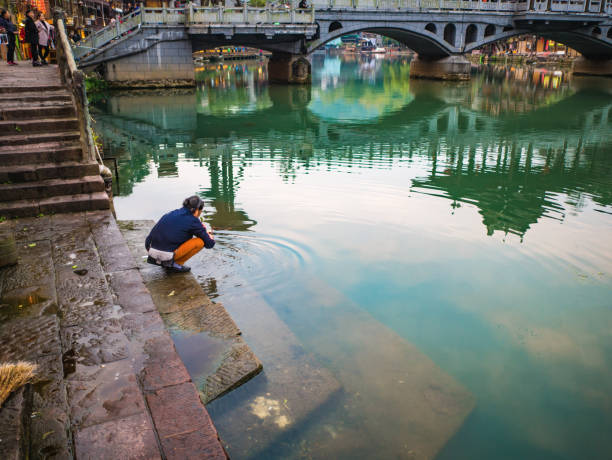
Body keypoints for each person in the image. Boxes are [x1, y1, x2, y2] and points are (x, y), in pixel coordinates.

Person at [145, 195, 215, 273]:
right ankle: (175, 265)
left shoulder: (171, 213)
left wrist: (203, 231)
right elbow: (209, 244)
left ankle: (167, 261)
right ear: (197, 210)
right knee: (200, 242)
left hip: (151, 251)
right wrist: (210, 237)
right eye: (200, 211)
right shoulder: (193, 220)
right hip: (164, 256)